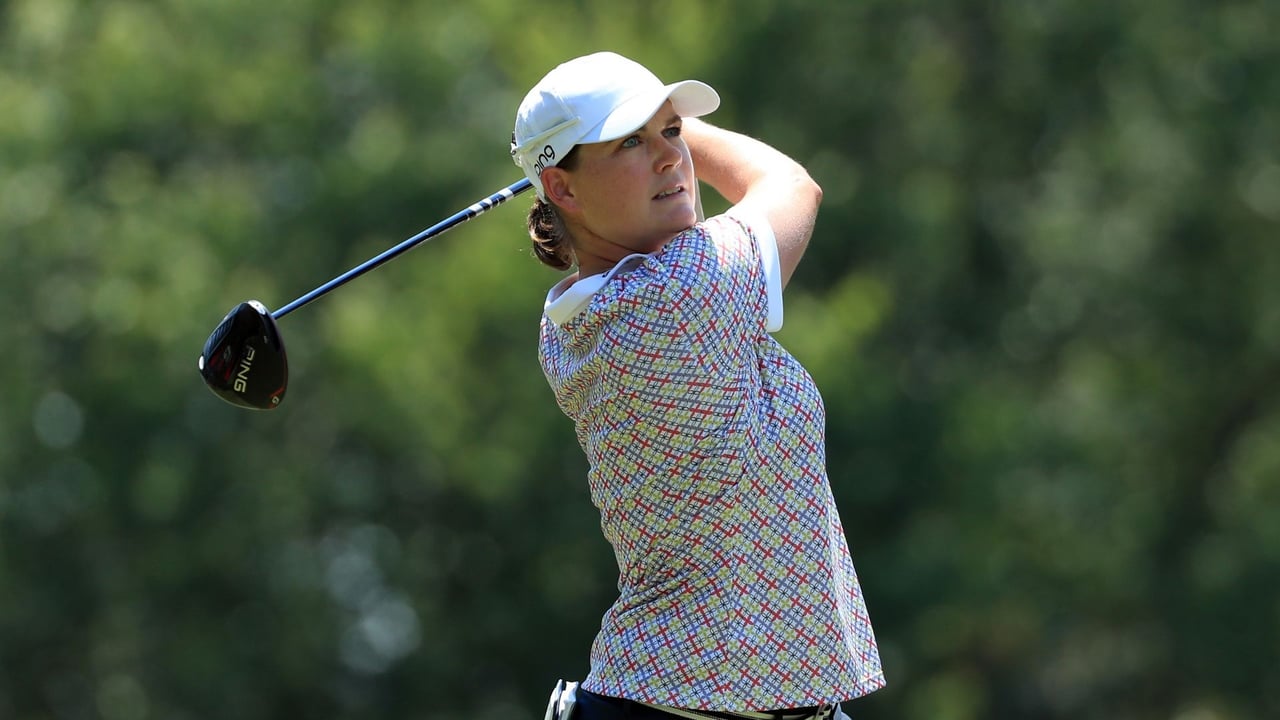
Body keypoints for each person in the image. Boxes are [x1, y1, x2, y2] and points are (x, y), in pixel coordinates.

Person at [510, 52, 885, 720]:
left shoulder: (567, 316)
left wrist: (632, 129)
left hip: (747, 704)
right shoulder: (678, 293)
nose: (668, 159)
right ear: (562, 190)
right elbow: (791, 184)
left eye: (672, 133)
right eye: (630, 142)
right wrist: (673, 121)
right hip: (680, 707)